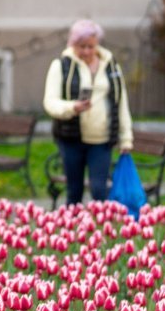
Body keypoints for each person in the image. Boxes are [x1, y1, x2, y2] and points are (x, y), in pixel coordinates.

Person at [43, 19, 134, 206]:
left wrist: (126, 138)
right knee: (74, 191)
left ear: (97, 44)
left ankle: (100, 229)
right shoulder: (61, 66)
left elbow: (121, 102)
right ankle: (71, 232)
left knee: (99, 190)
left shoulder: (111, 66)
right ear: (72, 44)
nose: (86, 51)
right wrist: (72, 107)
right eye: (81, 46)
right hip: (71, 138)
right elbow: (50, 102)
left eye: (90, 46)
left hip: (101, 140)